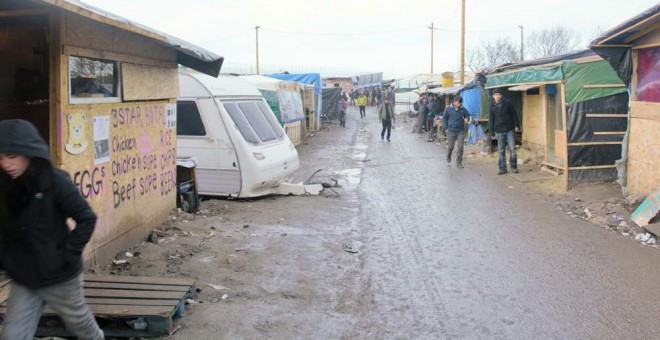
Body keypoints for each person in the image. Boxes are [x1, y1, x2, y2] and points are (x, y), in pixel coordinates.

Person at [0, 119, 104, 340]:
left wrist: (65, 255)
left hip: (60, 276)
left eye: (11, 156)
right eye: (1, 158)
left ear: (29, 153)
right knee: (12, 335)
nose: (6, 164)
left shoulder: (55, 181)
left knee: (81, 327)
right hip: (25, 277)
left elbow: (86, 219)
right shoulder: (5, 186)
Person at [489, 88, 520, 175]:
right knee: (501, 151)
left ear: (501, 95)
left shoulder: (507, 103)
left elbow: (514, 114)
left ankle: (514, 167)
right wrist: (491, 132)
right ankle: (502, 169)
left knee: (512, 149)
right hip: (499, 131)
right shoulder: (492, 106)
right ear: (493, 96)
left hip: (509, 129)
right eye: (495, 95)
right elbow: (491, 120)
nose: (497, 96)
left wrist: (517, 125)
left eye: (499, 94)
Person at [443, 96, 471, 168]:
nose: (459, 104)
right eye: (458, 103)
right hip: (451, 131)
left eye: (460, 103)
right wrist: (446, 128)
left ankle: (459, 163)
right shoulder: (448, 109)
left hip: (460, 131)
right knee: (450, 147)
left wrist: (466, 118)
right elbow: (444, 118)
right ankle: (449, 155)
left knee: (461, 147)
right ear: (454, 101)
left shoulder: (463, 109)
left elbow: (467, 115)